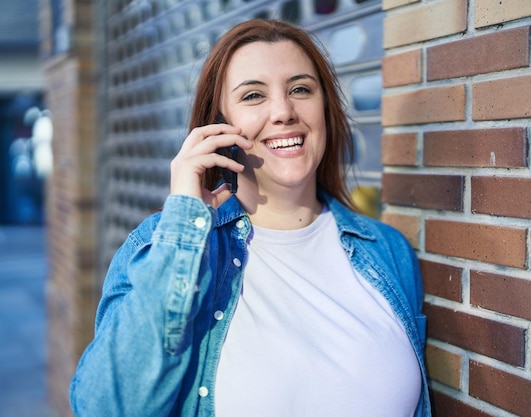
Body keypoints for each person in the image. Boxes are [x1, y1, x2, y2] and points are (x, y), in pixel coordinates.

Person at [70, 18, 431, 417]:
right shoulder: (164, 246)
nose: (283, 112)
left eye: (300, 89)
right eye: (254, 95)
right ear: (220, 127)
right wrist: (183, 226)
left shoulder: (386, 250)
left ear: (325, 108)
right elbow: (106, 408)